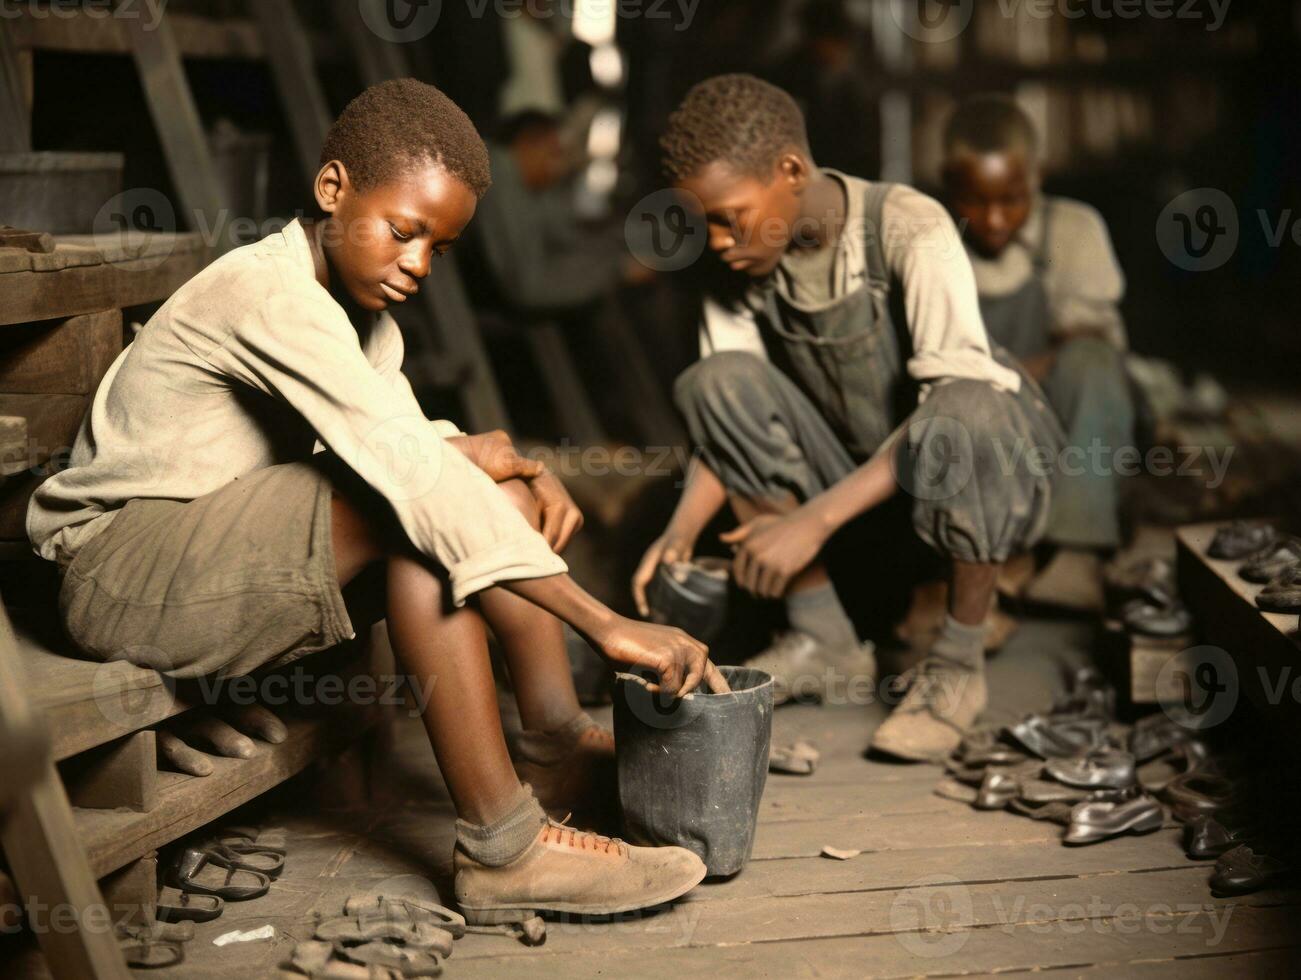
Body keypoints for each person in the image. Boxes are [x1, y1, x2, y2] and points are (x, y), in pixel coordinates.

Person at [28, 79, 725, 925]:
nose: (419, 264)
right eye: (405, 232)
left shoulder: (365, 320)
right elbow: (406, 476)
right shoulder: (268, 292)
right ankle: (504, 851)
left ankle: (554, 745)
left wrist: (491, 456)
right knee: (416, 515)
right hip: (122, 571)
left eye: (441, 247)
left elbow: (396, 437)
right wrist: (603, 622)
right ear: (333, 190)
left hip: (211, 554)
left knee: (484, 483)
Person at [633, 75, 1063, 762]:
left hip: (968, 490)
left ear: (791, 172)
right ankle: (824, 636)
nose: (714, 240)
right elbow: (723, 427)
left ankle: (956, 668)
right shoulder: (739, 270)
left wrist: (811, 522)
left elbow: (950, 417)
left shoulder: (908, 227)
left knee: (969, 404)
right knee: (712, 381)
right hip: (859, 498)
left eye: (729, 216)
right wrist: (679, 533)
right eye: (701, 222)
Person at [942, 95, 1135, 610]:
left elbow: (1090, 342)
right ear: (947, 185)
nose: (996, 220)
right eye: (976, 202)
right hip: (971, 423)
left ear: (1038, 177)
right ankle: (982, 566)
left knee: (1094, 362)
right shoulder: (931, 237)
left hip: (1058, 425)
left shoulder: (1073, 229)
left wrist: (1002, 376)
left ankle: (1076, 554)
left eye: (1012, 198)